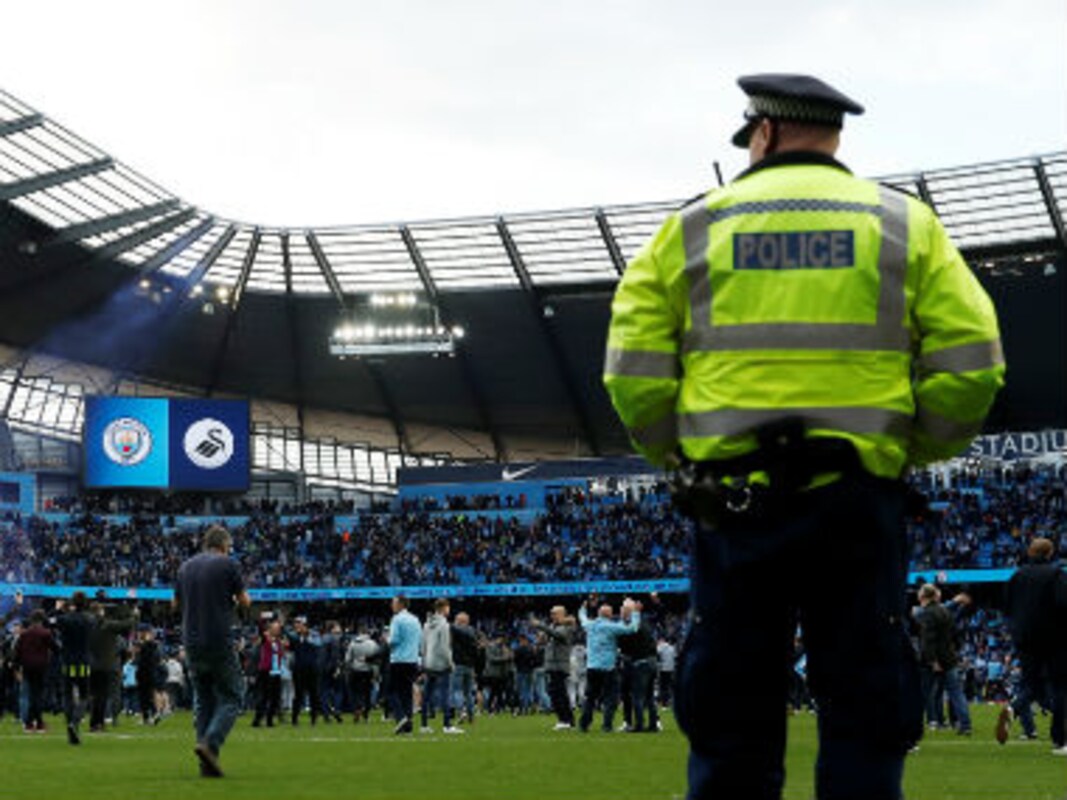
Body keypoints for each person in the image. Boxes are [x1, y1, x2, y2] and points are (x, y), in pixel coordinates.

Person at [603, 73, 1004, 799]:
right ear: (833, 135)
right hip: (856, 504)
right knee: (865, 710)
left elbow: (631, 373)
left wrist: (676, 455)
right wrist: (911, 448)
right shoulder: (903, 223)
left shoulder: (691, 228)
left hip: (732, 507)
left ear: (763, 133)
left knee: (730, 715)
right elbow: (973, 364)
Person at [174, 525, 251, 778]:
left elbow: (175, 604)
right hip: (218, 639)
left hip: (191, 641)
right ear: (224, 545)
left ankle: (207, 764)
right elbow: (245, 601)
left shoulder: (185, 567)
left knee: (203, 699)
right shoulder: (227, 564)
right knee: (233, 696)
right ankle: (210, 743)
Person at [999, 537, 1067, 754]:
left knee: (1032, 684)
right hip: (1054, 639)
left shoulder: (1017, 575)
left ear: (1030, 552)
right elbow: (1063, 604)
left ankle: (1013, 708)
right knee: (1059, 686)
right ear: (1050, 553)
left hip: (1024, 638)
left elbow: (1005, 606)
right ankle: (1059, 740)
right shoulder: (1056, 575)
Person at [914, 584, 971, 735]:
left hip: (933, 661)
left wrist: (933, 661)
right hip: (949, 658)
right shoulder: (945, 611)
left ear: (923, 596)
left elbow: (928, 640)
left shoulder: (926, 613)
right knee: (956, 693)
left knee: (925, 693)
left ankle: (925, 722)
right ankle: (965, 724)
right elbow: (954, 634)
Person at [577, 598, 639, 733]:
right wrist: (636, 614)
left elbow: (582, 618)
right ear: (610, 615)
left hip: (591, 667)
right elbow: (632, 629)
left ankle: (584, 724)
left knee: (590, 697)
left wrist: (583, 607)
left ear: (599, 614)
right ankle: (607, 725)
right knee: (610, 698)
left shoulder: (590, 625)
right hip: (608, 668)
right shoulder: (611, 627)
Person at [53, 592, 96, 745]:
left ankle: (70, 725)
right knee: (84, 695)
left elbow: (51, 622)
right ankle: (75, 722)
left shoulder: (64, 619)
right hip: (84, 661)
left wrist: (58, 609)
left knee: (67, 695)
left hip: (67, 661)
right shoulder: (90, 619)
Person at [87, 602, 135, 732]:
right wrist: (132, 614)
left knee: (94, 695)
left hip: (91, 664)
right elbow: (127, 624)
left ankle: (93, 722)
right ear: (99, 611)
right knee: (102, 695)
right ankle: (99, 723)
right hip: (106, 664)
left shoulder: (87, 625)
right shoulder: (107, 625)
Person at [531, 605, 576, 729]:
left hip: (559, 665)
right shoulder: (553, 626)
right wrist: (541, 639)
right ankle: (568, 720)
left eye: (555, 613)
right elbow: (549, 638)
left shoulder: (567, 627)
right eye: (551, 613)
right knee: (558, 693)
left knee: (558, 693)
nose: (552, 616)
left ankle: (564, 720)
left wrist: (541, 626)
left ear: (562, 614)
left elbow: (558, 635)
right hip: (552, 665)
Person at [421, 598, 462, 734]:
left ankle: (424, 725)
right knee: (445, 693)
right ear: (444, 608)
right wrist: (450, 663)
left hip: (429, 661)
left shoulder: (426, 624)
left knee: (427, 694)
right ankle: (447, 725)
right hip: (441, 663)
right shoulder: (444, 625)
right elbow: (445, 647)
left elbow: (423, 645)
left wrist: (424, 660)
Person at [13, 610, 55, 733]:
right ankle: (37, 722)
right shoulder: (46, 633)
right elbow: (55, 647)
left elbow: (17, 651)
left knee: (31, 693)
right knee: (37, 694)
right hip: (41, 666)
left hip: (27, 666)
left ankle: (31, 722)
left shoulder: (24, 634)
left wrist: (16, 668)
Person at [387, 595, 421, 735]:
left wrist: (386, 641)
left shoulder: (397, 619)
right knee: (407, 693)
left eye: (393, 603)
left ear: (400, 604)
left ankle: (401, 717)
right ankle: (408, 725)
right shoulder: (415, 619)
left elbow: (394, 640)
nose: (391, 605)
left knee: (391, 691)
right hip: (412, 660)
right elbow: (420, 640)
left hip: (399, 659)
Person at [287, 616, 322, 726]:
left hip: (312, 669)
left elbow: (318, 644)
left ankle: (313, 718)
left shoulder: (314, 635)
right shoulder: (295, 637)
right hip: (299, 669)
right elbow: (290, 645)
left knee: (313, 693)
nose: (297, 626)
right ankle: (294, 718)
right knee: (298, 694)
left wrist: (306, 636)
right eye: (296, 624)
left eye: (299, 624)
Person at [252, 620, 284, 728]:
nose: (277, 630)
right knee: (264, 696)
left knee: (275, 697)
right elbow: (261, 629)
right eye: (275, 628)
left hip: (276, 671)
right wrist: (263, 621)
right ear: (270, 629)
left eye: (278, 628)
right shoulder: (265, 639)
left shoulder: (278, 641)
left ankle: (270, 720)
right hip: (266, 671)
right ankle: (257, 719)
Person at [345, 625, 380, 723]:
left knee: (354, 691)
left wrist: (349, 667)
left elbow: (347, 659)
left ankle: (357, 707)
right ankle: (366, 713)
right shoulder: (373, 643)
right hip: (368, 671)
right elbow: (376, 659)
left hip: (355, 670)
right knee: (367, 692)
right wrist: (376, 673)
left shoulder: (353, 643)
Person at [450, 612, 480, 725]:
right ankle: (471, 715)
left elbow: (451, 627)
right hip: (470, 666)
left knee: (457, 690)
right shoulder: (473, 632)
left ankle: (461, 710)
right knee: (468, 692)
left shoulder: (456, 631)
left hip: (458, 664)